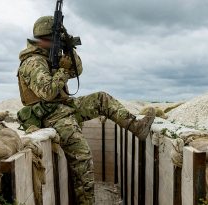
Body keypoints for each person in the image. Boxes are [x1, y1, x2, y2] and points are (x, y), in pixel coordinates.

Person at [16, 16, 155, 204]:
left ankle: (136, 127)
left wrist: (68, 50)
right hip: (48, 114)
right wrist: (62, 71)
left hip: (61, 107)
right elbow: (47, 92)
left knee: (101, 99)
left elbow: (77, 70)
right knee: (82, 156)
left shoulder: (49, 57)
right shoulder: (33, 61)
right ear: (46, 39)